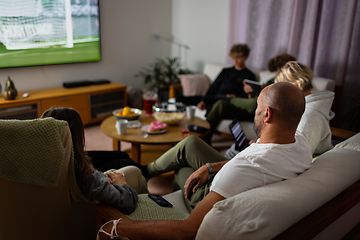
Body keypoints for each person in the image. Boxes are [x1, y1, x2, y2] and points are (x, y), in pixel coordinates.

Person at [97, 82, 312, 240]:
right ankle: (148, 173)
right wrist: (209, 167)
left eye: (256, 106)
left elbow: (188, 230)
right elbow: (254, 161)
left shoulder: (246, 165)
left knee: (182, 170)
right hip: (243, 179)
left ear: (266, 114)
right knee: (190, 144)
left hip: (218, 200)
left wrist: (120, 227)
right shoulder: (301, 142)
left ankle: (152, 188)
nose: (254, 111)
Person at [42, 107, 147, 214]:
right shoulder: (83, 174)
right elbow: (128, 203)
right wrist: (122, 184)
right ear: (76, 136)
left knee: (125, 161)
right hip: (96, 219)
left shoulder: (38, 166)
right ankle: (147, 214)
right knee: (136, 173)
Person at [275, 61, 334, 154]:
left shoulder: (310, 115)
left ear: (297, 84)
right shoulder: (300, 105)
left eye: (283, 87)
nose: (280, 92)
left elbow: (299, 155)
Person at [197, 43, 257, 113]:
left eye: (239, 57)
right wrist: (203, 100)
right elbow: (213, 87)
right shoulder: (225, 71)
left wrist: (235, 96)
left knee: (218, 104)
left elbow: (248, 98)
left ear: (245, 57)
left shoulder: (249, 75)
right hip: (216, 97)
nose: (236, 60)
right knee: (188, 99)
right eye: (234, 57)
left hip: (230, 101)